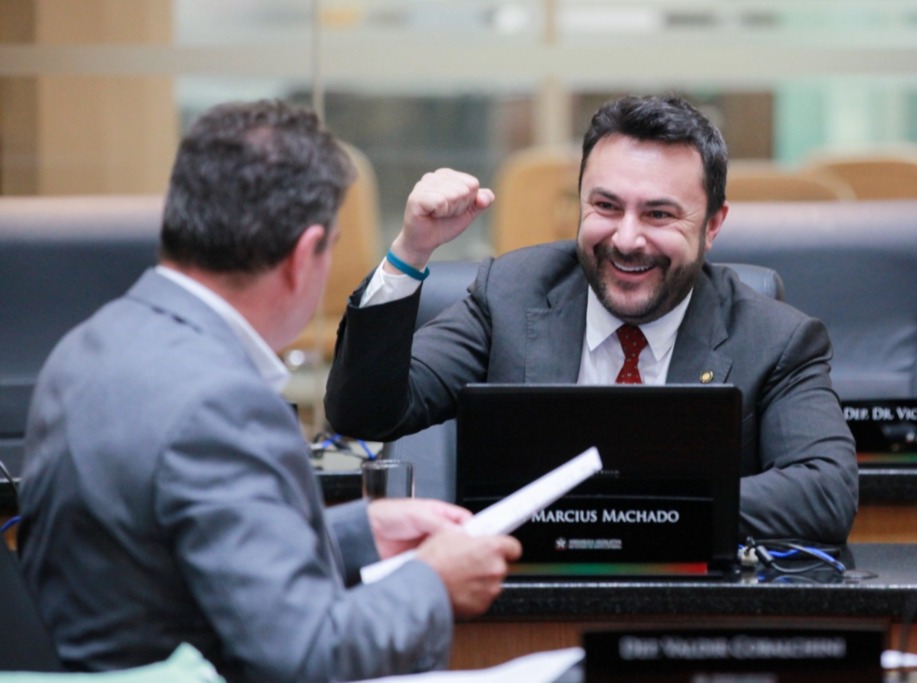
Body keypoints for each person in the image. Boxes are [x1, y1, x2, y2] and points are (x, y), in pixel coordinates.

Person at [16, 100, 521, 682]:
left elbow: (172, 553)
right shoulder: (223, 405)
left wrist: (358, 533)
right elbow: (308, 657)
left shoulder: (91, 343)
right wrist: (432, 580)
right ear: (305, 255)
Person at [325, 94, 858, 544]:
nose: (627, 239)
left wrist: (629, 505)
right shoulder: (511, 295)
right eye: (605, 206)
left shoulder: (776, 337)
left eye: (659, 214)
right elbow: (367, 413)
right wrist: (410, 253)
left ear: (713, 225)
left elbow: (825, 493)